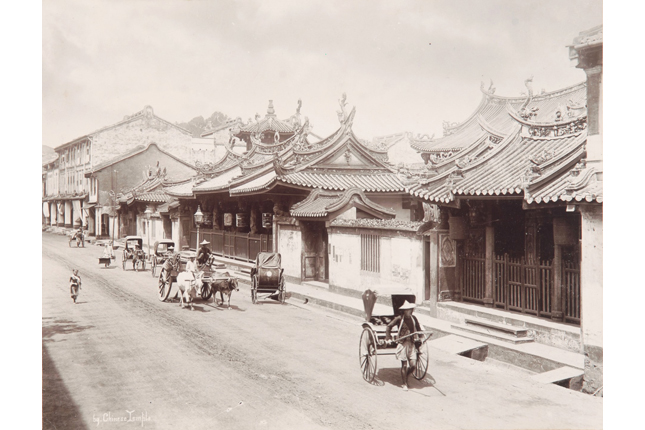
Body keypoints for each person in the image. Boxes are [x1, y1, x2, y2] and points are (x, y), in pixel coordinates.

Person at [385, 300, 423, 391]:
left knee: (413, 365)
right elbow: (388, 326)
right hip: (402, 344)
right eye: (406, 310)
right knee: (404, 365)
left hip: (412, 343)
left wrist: (421, 337)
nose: (408, 312)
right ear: (403, 311)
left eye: (410, 310)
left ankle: (405, 375)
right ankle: (404, 383)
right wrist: (388, 337)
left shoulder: (414, 318)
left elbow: (418, 329)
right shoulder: (399, 318)